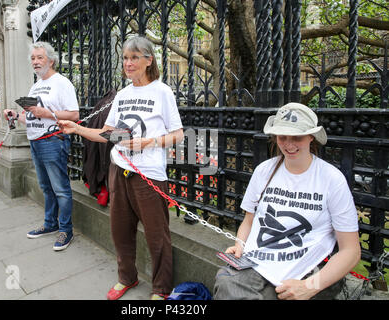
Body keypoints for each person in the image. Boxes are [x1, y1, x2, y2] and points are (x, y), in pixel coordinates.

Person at [58, 35, 184, 300]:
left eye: (134, 57)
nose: (128, 63)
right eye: (125, 58)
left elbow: (178, 134)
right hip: (119, 169)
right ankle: (127, 277)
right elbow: (107, 134)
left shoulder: (162, 92)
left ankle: (161, 288)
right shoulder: (123, 94)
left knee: (156, 235)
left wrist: (150, 142)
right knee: (120, 231)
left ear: (149, 60)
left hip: (148, 174)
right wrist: (77, 128)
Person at [213, 103, 361, 300]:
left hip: (307, 267)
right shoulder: (264, 171)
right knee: (226, 283)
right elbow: (249, 220)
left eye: (297, 137)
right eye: (282, 137)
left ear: (311, 136)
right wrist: (240, 244)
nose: (289, 144)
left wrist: (310, 286)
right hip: (260, 262)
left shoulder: (331, 179)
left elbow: (350, 250)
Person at [3, 41, 79, 251]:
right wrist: (16, 115)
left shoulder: (62, 83)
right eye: (33, 58)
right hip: (35, 140)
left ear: (51, 60)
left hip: (53, 140)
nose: (35, 62)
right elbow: (32, 117)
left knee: (60, 189)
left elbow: (74, 114)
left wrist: (48, 114)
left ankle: (66, 230)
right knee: (46, 187)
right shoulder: (35, 85)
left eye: (40, 58)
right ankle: (50, 224)